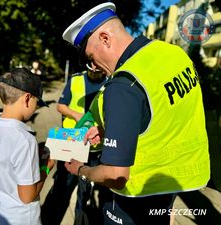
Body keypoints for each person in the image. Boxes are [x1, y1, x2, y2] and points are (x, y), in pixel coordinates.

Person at [62, 2, 210, 225]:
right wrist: (117, 131)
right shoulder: (172, 53)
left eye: (91, 58)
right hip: (174, 183)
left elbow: (115, 174)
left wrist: (82, 170)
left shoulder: (123, 84)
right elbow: (165, 111)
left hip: (135, 198)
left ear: (105, 38)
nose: (94, 67)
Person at [0, 68, 54, 225]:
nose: (36, 107)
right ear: (27, 98)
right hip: (21, 218)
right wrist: (46, 166)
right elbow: (27, 196)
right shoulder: (25, 140)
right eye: (37, 102)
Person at [41, 66, 106, 225]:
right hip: (71, 142)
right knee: (62, 186)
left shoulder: (110, 83)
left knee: (86, 191)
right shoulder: (76, 79)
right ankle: (49, 219)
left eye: (98, 71)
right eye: (91, 69)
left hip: (95, 146)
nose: (94, 72)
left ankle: (80, 221)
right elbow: (60, 106)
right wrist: (76, 115)